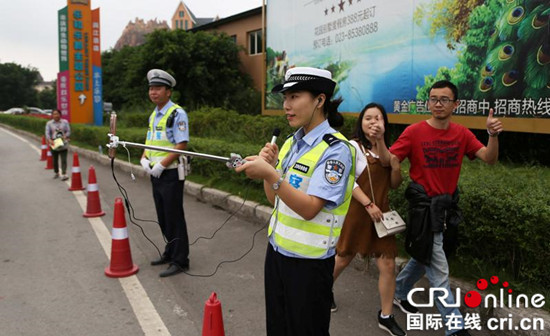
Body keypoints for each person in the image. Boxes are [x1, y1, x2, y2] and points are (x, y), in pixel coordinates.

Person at [236, 67, 355, 335]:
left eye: (294, 97)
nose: (286, 106)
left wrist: (271, 175)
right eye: (285, 98)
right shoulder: (291, 143)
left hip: (310, 265)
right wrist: (270, 168)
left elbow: (311, 209)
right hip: (277, 254)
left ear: (319, 100)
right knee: (277, 328)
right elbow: (273, 198)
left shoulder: (336, 150)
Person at [390, 80, 503, 336]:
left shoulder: (461, 134)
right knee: (439, 269)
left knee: (424, 255)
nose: (437, 104)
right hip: (423, 209)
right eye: (433, 99)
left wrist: (493, 135)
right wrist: (373, 147)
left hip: (447, 208)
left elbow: (490, 158)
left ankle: (398, 291)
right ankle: (455, 327)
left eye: (443, 99)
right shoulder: (414, 132)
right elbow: (392, 157)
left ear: (456, 104)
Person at [332, 103, 406, 336]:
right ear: (360, 123)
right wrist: (367, 204)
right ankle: (323, 289)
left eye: (378, 119)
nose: (373, 122)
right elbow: (346, 180)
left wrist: (390, 158)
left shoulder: (388, 150)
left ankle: (386, 316)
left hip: (381, 216)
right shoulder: (351, 147)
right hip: (359, 212)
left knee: (388, 264)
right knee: (343, 258)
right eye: (368, 118)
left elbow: (394, 183)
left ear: (385, 123)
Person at [140, 69, 190, 278]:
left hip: (169, 173)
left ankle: (180, 260)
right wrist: (144, 158)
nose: (154, 92)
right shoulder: (154, 114)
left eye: (158, 88)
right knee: (162, 217)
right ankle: (170, 252)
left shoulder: (176, 113)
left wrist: (162, 164)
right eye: (151, 88)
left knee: (173, 217)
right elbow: (150, 141)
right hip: (156, 173)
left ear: (168, 92)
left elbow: (181, 144)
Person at [45, 109, 71, 181]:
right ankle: (56, 172)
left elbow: (68, 131)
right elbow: (47, 133)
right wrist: (49, 139)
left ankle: (64, 173)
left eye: (57, 114)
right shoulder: (49, 123)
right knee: (54, 159)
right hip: (54, 142)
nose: (56, 115)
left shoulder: (65, 122)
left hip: (63, 142)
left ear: (60, 114)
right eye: (54, 114)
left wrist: (66, 136)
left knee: (63, 159)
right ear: (52, 115)